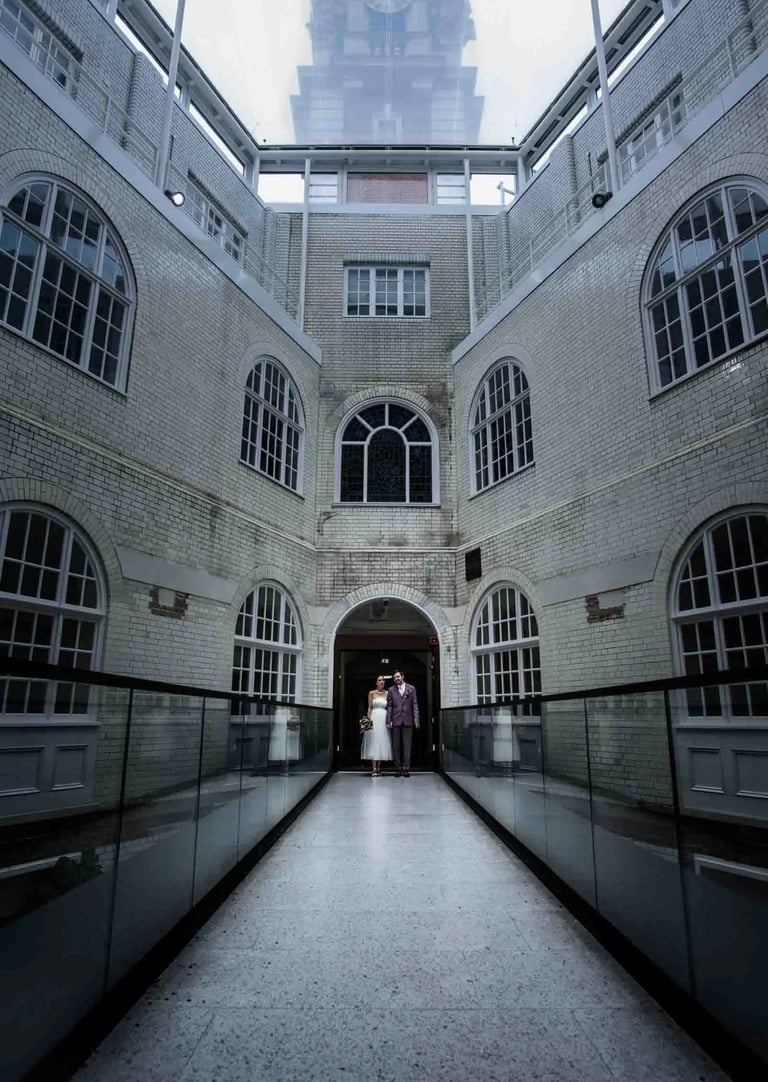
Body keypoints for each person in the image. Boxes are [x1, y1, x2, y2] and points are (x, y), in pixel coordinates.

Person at [386, 670, 420, 777]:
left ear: (402, 676)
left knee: (407, 745)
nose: (397, 679)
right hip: (395, 720)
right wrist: (388, 720)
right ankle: (397, 768)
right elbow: (390, 706)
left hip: (408, 720)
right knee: (396, 746)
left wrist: (416, 720)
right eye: (395, 677)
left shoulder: (411, 688)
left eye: (398, 676)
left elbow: (415, 705)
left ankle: (406, 768)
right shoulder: (391, 690)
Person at [361, 674, 392, 777]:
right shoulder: (371, 693)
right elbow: (369, 707)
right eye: (379, 680)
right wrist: (367, 722)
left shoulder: (387, 693)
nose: (382, 682)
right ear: (376, 682)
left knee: (382, 741)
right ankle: (374, 768)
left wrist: (389, 720)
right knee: (373, 741)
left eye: (383, 680)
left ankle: (379, 768)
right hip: (374, 717)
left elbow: (389, 708)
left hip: (383, 717)